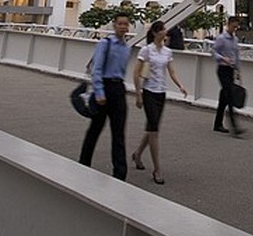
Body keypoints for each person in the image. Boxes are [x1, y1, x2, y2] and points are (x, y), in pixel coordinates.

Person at [132, 20, 187, 184]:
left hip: (161, 93)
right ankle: (157, 169)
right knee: (154, 130)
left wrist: (180, 86)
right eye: (162, 29)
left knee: (151, 127)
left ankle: (137, 154)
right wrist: (138, 94)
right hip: (149, 92)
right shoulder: (146, 51)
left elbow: (172, 71)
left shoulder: (167, 52)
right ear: (156, 33)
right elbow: (136, 73)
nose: (165, 31)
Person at [79, 13, 131, 181]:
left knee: (119, 133)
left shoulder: (127, 47)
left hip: (118, 88)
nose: (123, 27)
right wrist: (99, 92)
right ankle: (83, 164)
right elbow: (97, 69)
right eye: (120, 24)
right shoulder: (105, 44)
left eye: (126, 24)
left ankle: (120, 173)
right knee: (95, 129)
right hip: (105, 88)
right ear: (114, 25)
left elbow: (121, 71)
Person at [212, 15, 244, 137]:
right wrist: (222, 58)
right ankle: (235, 126)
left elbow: (236, 55)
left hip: (230, 70)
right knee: (229, 96)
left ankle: (217, 124)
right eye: (233, 26)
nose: (234, 29)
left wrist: (238, 70)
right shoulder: (221, 38)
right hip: (222, 69)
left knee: (224, 98)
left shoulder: (234, 39)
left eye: (236, 27)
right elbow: (214, 51)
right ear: (228, 25)